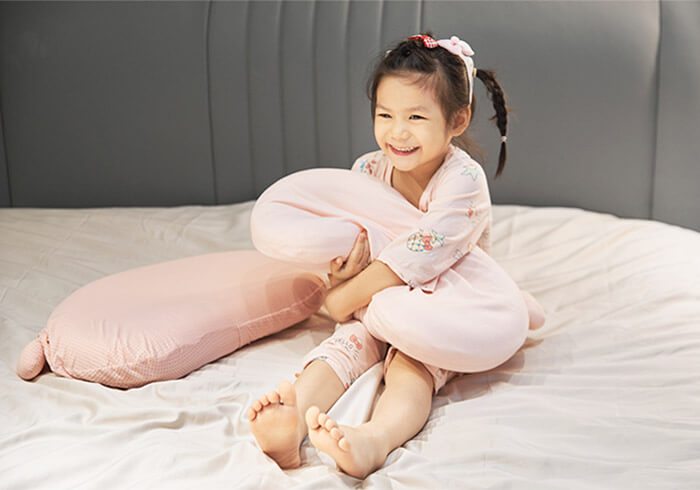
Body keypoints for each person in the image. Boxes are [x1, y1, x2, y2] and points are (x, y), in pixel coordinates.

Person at [246, 33, 545, 479]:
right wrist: (339, 276)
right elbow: (355, 244)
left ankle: (374, 440)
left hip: (444, 301)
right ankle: (293, 423)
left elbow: (419, 253)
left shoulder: (463, 180)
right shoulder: (368, 170)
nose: (397, 132)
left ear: (457, 119)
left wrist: (340, 300)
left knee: (411, 365)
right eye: (385, 115)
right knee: (345, 346)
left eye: (416, 117)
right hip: (377, 300)